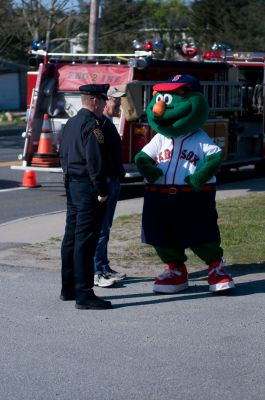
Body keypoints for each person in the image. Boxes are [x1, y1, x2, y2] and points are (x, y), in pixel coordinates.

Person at [59, 83, 112, 310]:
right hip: (88, 188)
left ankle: (68, 288)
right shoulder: (93, 126)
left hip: (72, 184)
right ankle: (84, 294)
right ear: (95, 101)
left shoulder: (70, 123)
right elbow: (95, 161)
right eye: (103, 101)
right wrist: (101, 190)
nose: (105, 105)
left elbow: (62, 154)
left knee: (71, 237)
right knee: (86, 241)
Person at [93, 86, 127, 288]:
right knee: (101, 229)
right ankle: (97, 270)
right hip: (107, 182)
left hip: (114, 181)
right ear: (105, 101)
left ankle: (104, 266)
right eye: (116, 100)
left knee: (107, 227)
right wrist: (104, 182)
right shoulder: (100, 125)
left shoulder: (109, 123)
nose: (119, 104)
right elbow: (98, 156)